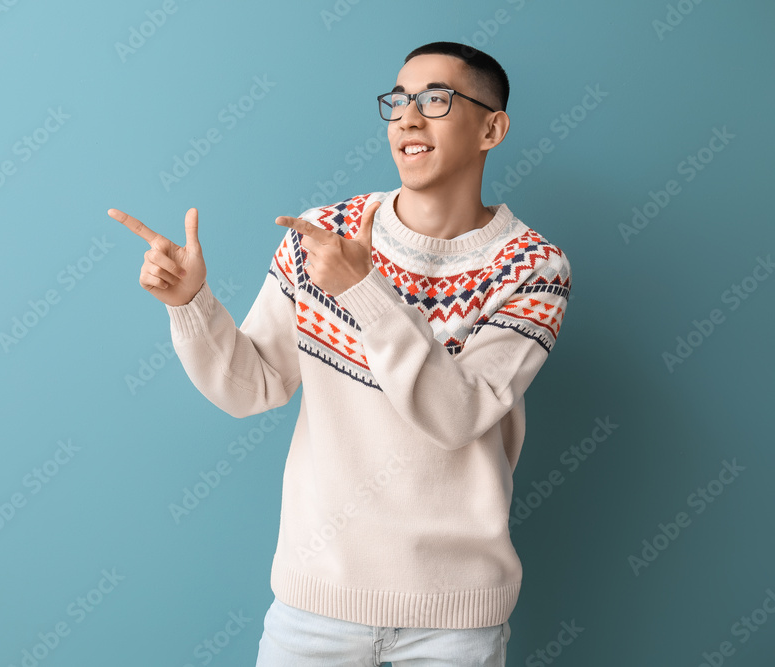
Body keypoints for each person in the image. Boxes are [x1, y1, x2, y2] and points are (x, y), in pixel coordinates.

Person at [109, 40, 572, 667]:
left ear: (492, 129)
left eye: (436, 99)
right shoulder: (322, 236)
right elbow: (253, 387)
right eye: (398, 101)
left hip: (455, 618)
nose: (408, 118)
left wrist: (364, 291)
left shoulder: (533, 267)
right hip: (315, 604)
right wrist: (191, 303)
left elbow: (457, 416)